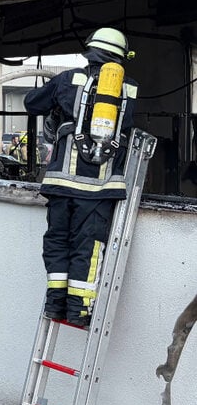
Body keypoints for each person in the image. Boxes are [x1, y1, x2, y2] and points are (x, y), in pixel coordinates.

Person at [24, 28, 137, 326]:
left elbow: (31, 104)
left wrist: (57, 99)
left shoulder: (67, 80)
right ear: (121, 58)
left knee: (57, 240)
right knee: (89, 247)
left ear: (90, 51)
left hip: (61, 184)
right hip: (100, 189)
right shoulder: (130, 89)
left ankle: (55, 304)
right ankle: (79, 309)